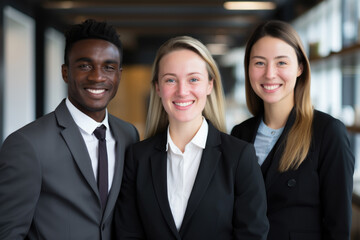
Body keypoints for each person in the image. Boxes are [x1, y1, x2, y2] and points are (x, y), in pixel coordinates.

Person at [114, 36, 269, 240]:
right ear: (158, 88)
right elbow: (127, 235)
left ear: (209, 85)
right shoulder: (137, 158)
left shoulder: (239, 157)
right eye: (170, 79)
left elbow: (252, 235)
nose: (182, 91)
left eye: (193, 79)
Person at [0, 19, 139, 240]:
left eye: (108, 67)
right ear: (65, 72)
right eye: (85, 66)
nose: (97, 76)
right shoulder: (27, 144)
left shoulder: (128, 135)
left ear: (119, 75)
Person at [231, 20, 355, 240]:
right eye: (259, 63)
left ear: (300, 67)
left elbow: (338, 227)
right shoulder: (240, 134)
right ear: (248, 68)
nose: (270, 74)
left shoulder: (327, 133)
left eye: (281, 63)